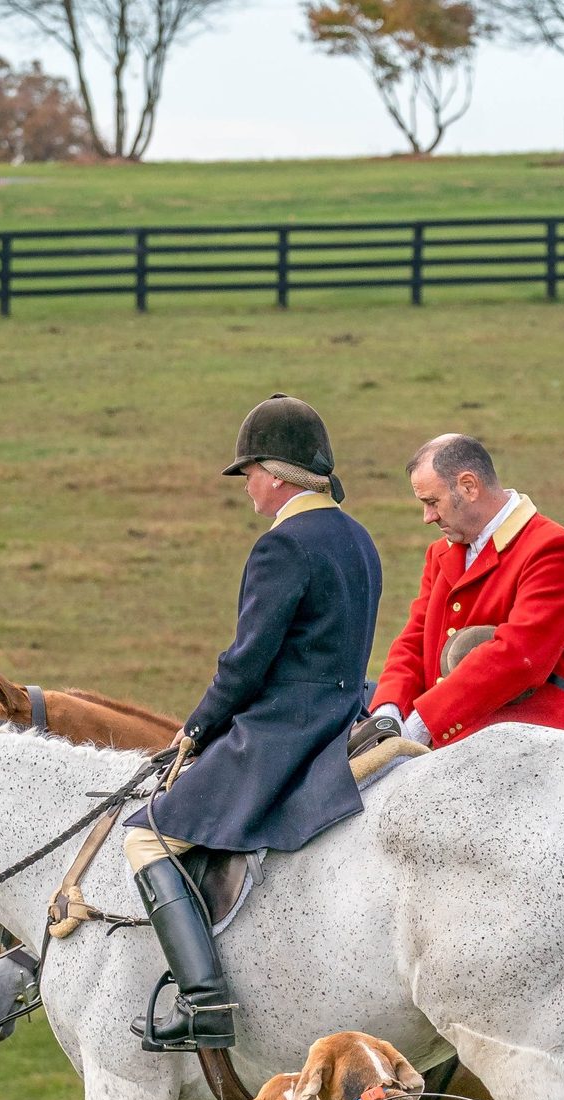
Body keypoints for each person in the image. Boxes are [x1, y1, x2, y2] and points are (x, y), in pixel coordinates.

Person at [124, 394, 383, 1053]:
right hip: (345, 714)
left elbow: (246, 664)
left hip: (283, 732)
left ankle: (204, 1000)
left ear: (275, 473)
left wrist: (197, 729)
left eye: (249, 475)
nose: (247, 488)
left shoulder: (284, 546)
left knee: (146, 838)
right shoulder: (358, 538)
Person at [371, 433, 564, 749]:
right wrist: (389, 708)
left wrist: (422, 723)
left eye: (432, 502)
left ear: (469, 486)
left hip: (527, 746)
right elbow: (414, 639)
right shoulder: (440, 553)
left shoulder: (550, 547)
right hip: (447, 745)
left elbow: (518, 656)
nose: (427, 517)